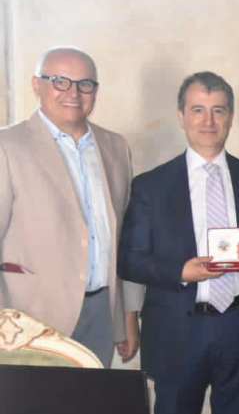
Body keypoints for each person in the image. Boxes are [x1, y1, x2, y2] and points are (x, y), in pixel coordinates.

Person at [118, 72, 239, 414]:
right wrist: (180, 270)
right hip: (177, 331)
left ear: (231, 117)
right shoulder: (151, 186)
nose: (208, 121)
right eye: (198, 110)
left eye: (218, 111)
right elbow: (129, 259)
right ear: (181, 116)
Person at [0, 46, 139, 367]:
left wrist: (126, 315)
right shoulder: (8, 146)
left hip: (101, 311)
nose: (73, 93)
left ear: (96, 91)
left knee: (87, 410)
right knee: (32, 413)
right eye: (60, 81)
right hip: (28, 316)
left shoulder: (115, 147)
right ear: (37, 85)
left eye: (85, 84)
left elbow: (124, 240)